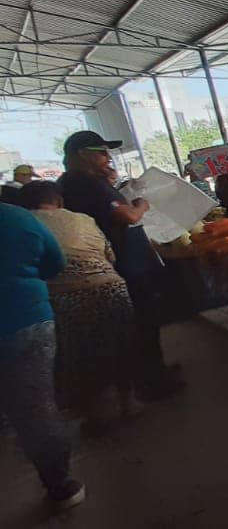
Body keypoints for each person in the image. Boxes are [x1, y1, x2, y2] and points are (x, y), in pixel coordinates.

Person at [57, 131, 179, 401]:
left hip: (119, 262)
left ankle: (149, 376)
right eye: (101, 152)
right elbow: (126, 216)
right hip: (126, 265)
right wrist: (141, 205)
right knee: (143, 324)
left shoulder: (77, 182)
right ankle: (152, 382)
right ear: (81, 154)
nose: (107, 157)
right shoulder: (85, 183)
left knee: (139, 324)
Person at [19, 181, 143, 433]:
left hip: (65, 296)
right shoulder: (83, 219)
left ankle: (95, 416)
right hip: (111, 286)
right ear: (59, 201)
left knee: (79, 355)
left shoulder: (24, 224)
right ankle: (128, 402)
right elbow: (109, 255)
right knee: (120, 344)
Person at [0, 202, 85, 510]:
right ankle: (60, 484)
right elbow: (54, 262)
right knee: (36, 406)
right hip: (27, 320)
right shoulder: (17, 217)